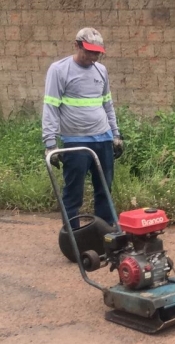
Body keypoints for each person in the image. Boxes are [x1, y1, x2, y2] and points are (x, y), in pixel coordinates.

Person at [43, 27, 123, 229]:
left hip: (103, 138)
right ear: (77, 45)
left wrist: (116, 134)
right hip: (75, 141)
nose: (94, 56)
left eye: (97, 52)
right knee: (73, 192)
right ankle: (73, 235)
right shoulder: (59, 70)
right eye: (89, 51)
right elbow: (51, 106)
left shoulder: (101, 70)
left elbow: (107, 104)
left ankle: (105, 232)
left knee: (104, 189)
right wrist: (50, 144)